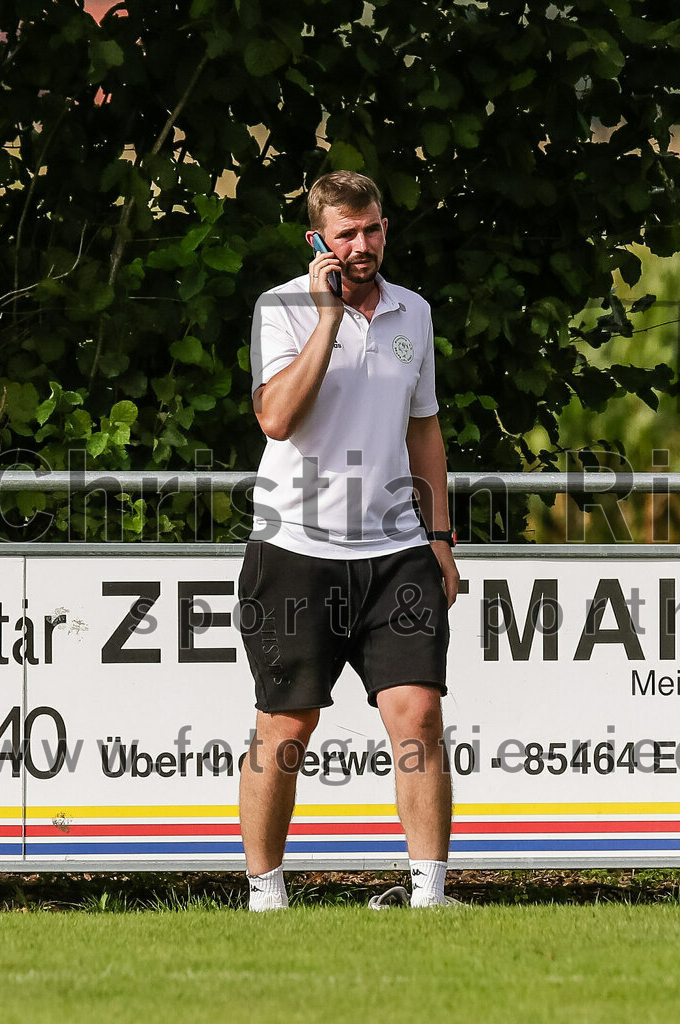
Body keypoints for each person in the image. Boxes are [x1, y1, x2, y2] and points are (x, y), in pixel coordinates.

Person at [237, 171, 459, 911]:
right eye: (345, 234)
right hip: (294, 547)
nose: (361, 245)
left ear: (385, 228)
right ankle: (266, 894)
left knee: (418, 713)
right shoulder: (280, 309)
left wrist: (439, 537)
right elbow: (276, 418)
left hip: (396, 550)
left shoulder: (413, 312)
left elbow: (423, 428)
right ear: (318, 241)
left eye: (371, 229)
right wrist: (328, 319)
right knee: (286, 724)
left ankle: (429, 897)